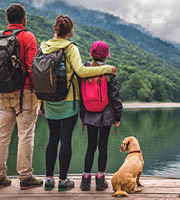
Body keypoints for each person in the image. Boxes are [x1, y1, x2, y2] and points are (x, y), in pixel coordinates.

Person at [41, 15, 117, 192]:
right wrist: (107, 69)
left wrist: (41, 103)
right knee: (65, 138)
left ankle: (49, 180)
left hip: (49, 101)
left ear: (55, 29)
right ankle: (63, 181)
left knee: (52, 139)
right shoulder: (70, 47)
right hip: (68, 101)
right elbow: (82, 72)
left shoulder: (44, 47)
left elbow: (40, 75)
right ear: (70, 30)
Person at [0, 3, 43, 190]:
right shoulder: (27, 36)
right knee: (25, 135)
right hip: (24, 92)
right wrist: (37, 91)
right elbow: (32, 68)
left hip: (2, 92)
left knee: (2, 135)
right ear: (24, 19)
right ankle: (25, 177)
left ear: (8, 19)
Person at [79, 41, 123, 191]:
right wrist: (118, 116)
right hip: (106, 115)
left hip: (89, 114)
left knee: (90, 146)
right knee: (102, 146)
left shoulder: (84, 71)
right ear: (105, 57)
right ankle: (100, 180)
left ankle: (85, 181)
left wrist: (82, 116)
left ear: (91, 53)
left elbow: (81, 96)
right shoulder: (109, 72)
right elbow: (115, 96)